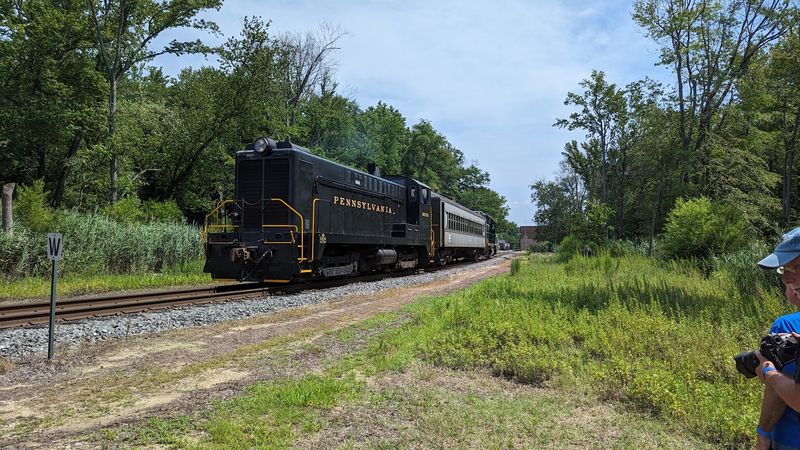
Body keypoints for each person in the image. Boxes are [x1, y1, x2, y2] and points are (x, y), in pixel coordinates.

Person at [755, 227, 800, 450]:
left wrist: (767, 370)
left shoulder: (786, 325)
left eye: (796, 266)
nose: (786, 278)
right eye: (784, 269)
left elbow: (779, 394)